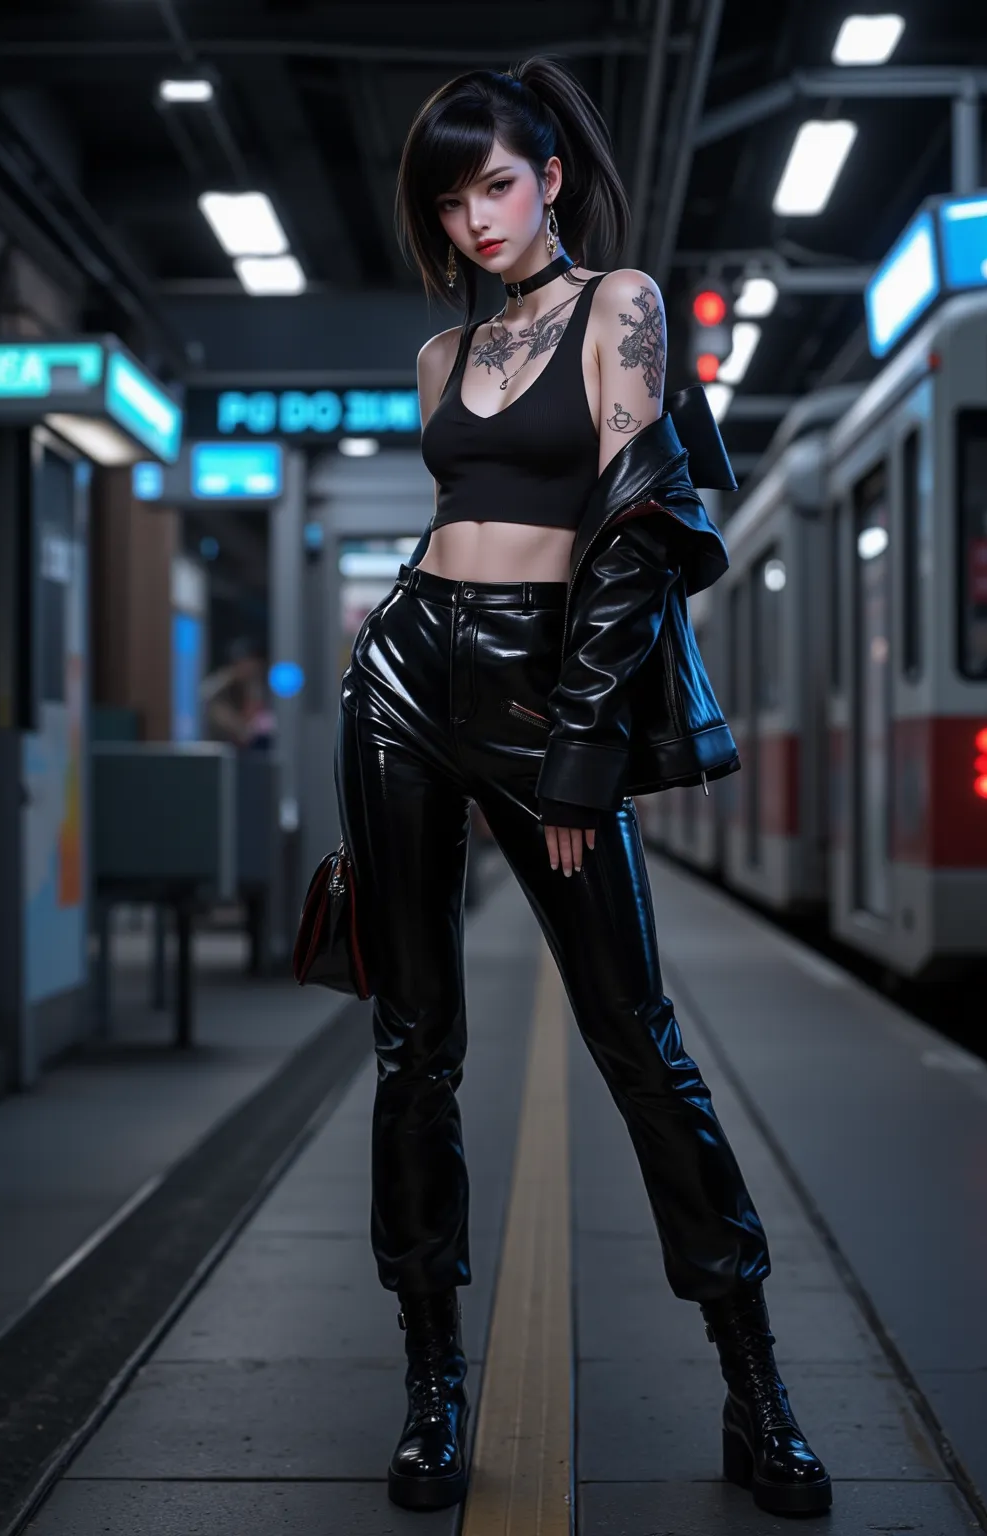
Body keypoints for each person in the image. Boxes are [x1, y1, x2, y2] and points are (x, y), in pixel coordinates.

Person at [333, 57, 831, 1518]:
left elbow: (632, 537)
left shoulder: (622, 303)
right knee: (415, 1050)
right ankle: (432, 1382)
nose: (477, 218)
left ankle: (757, 1382)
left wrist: (579, 751)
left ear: (550, 175)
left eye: (497, 182)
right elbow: (462, 518)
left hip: (546, 692)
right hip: (409, 683)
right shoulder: (439, 359)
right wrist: (383, 636)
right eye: (451, 196)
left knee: (636, 1040)